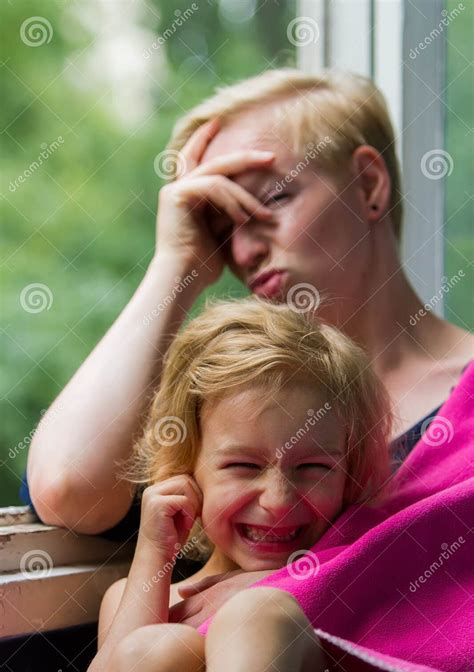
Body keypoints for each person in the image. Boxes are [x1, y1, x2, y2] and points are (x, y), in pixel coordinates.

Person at [26, 67, 472, 622]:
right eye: (222, 225)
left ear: (369, 185)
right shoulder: (229, 401)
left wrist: (303, 586)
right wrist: (178, 264)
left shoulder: (464, 400)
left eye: (274, 198)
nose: (243, 250)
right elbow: (70, 488)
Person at [82, 297, 392, 672]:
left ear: (350, 472)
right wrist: (154, 553)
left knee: (259, 615)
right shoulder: (140, 596)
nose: (279, 501)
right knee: (151, 650)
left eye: (315, 467)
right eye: (244, 465)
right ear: (186, 465)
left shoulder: (352, 568)